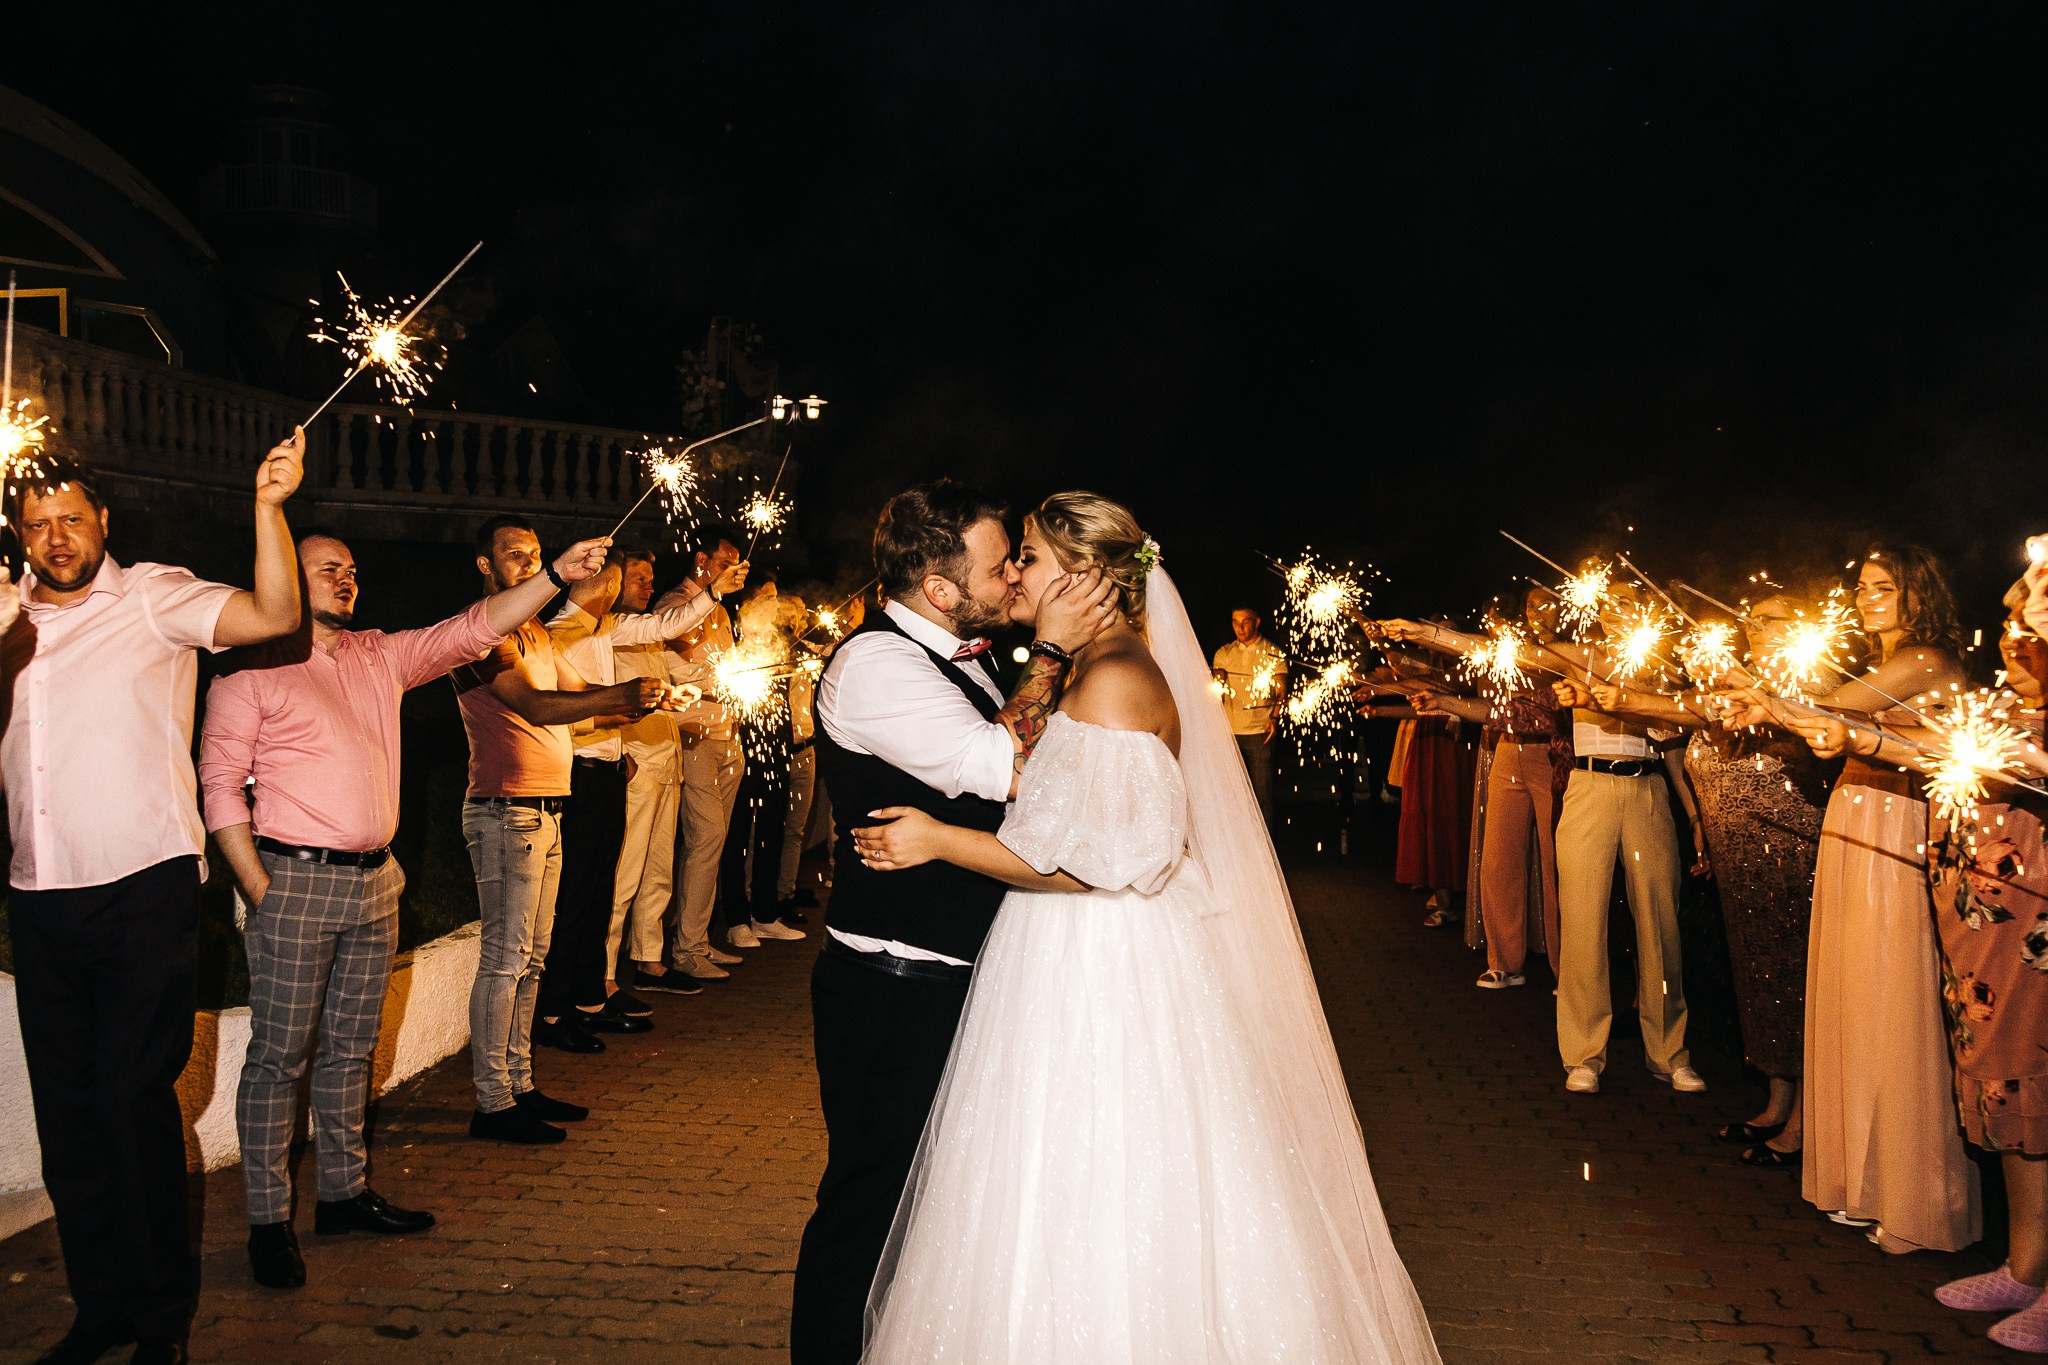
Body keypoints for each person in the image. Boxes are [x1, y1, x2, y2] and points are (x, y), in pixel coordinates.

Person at [852, 494, 1441, 1363]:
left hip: (1100, 959)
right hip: (1067, 949)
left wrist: (938, 839)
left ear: (1083, 577)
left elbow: (1098, 862)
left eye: (1030, 556)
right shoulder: (1094, 667)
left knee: (1105, 1167)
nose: (1016, 571)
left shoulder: (1117, 677)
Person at [198, 526, 613, 1290]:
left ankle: (345, 1194)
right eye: (326, 569)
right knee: (278, 1057)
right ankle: (267, 1220)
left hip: (374, 882)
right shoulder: (248, 671)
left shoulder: (378, 654)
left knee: (353, 1050)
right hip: (293, 879)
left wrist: (554, 574)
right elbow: (220, 785)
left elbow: (473, 627)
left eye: (351, 569)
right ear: (285, 576)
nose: (345, 578)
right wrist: (257, 886)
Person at [788, 480, 1117, 1365]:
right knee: (870, 1197)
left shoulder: (968, 652)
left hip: (955, 968)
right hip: (892, 982)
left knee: (934, 1204)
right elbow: (1003, 767)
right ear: (939, 589)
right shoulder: (875, 666)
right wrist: (1052, 648)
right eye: (999, 560)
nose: (1014, 572)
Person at [6, 441, 304, 1365]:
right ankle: (102, 1309)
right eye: (38, 523)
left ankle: (161, 1321)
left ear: (104, 522)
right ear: (19, 533)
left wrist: (266, 505)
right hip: (37, 894)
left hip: (143, 887)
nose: (58, 537)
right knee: (67, 1115)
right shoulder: (6, 619)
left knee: (131, 1100)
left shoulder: (152, 596)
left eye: (73, 519)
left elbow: (275, 612)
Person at [1736, 545, 1980, 1254]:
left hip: (1896, 828)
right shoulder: (1878, 661)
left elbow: (1835, 708)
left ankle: (1916, 1196)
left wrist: (1765, 688)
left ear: (1916, 593)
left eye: (1885, 586)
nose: (1869, 596)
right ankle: (1857, 1177)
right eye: (1864, 586)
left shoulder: (1927, 659)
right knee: (1850, 995)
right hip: (1852, 815)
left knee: (1891, 1000)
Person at [453, 515, 671, 1145]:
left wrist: (647, 698)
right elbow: (540, 707)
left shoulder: (534, 634)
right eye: (514, 556)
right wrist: (620, 697)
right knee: (506, 960)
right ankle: (492, 1101)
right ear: (485, 566)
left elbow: (583, 697)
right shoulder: (481, 634)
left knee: (533, 958)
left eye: (535, 555)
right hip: (505, 809)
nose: (527, 565)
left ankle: (519, 1084)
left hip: (548, 808)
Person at [535, 547, 731, 1042]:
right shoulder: (560, 635)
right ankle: (555, 1011)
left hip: (606, 771)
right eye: (621, 581)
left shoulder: (605, 629)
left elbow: (661, 627)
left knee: (600, 889)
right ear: (601, 583)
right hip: (575, 774)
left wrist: (712, 593)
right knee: (577, 894)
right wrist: (639, 708)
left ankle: (589, 997)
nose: (625, 591)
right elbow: (565, 711)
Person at [1678, 597, 1836, 1170]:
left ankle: (1804, 1123)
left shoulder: (1808, 680)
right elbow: (1685, 716)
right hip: (1740, 861)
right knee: (1760, 979)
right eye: (1754, 618)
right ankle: (1776, 1101)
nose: (1755, 627)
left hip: (1793, 856)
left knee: (1797, 980)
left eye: (1772, 618)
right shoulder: (1733, 687)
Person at [1210, 606, 1287, 822]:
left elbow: (1282, 689)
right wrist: (1217, 682)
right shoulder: (1224, 653)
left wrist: (1275, 717)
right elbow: (1219, 685)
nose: (1240, 627)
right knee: (1233, 794)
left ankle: (1265, 850)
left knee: (1263, 796)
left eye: (1245, 621)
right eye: (1235, 622)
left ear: (1257, 622)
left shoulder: (1273, 652)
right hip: (1231, 733)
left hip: (1260, 732)